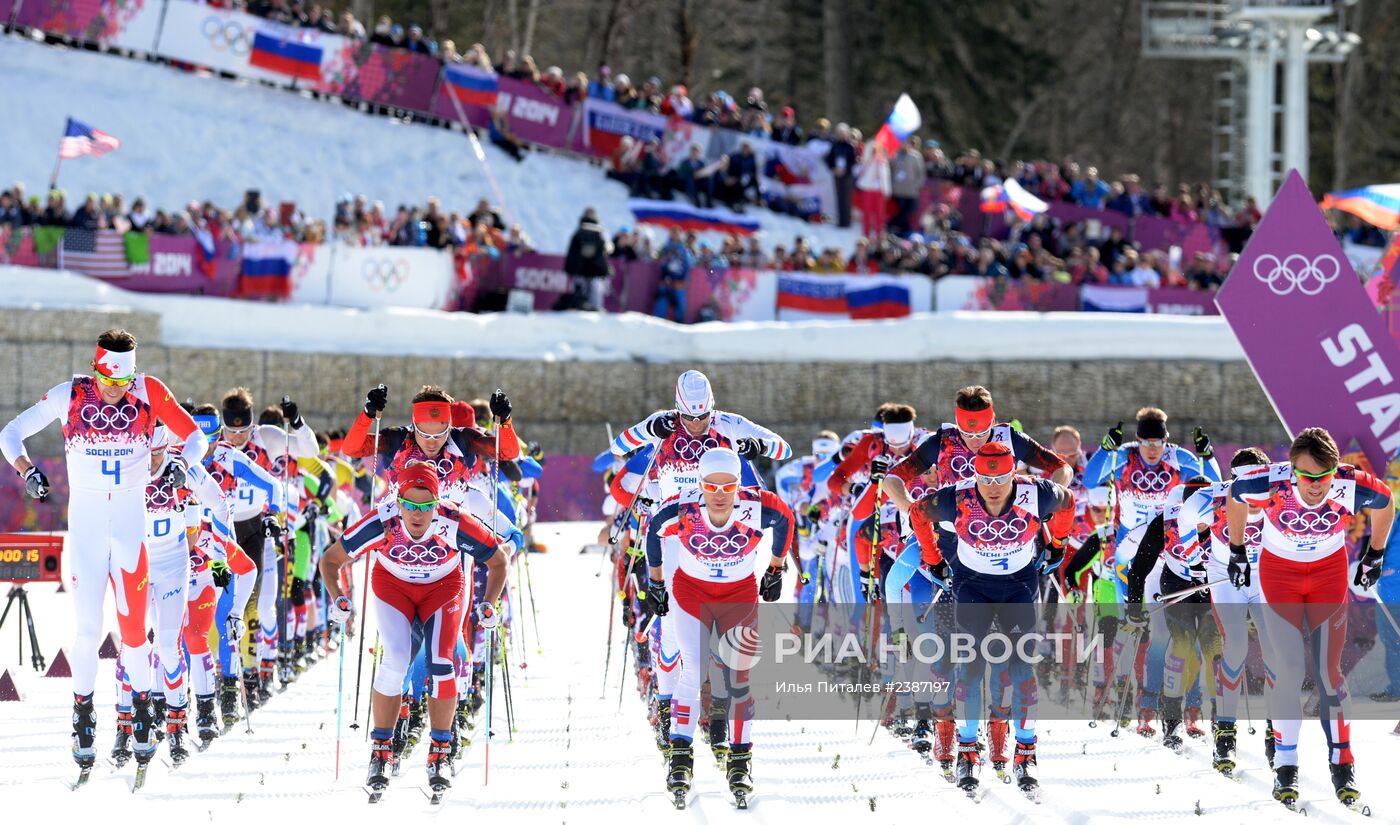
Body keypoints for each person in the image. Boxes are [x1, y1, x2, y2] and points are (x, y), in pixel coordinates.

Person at [0, 328, 206, 780]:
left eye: (122, 382)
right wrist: (27, 470)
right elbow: (11, 432)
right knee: (88, 629)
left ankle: (143, 710)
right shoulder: (68, 395)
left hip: (131, 533)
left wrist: (180, 464)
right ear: (96, 369)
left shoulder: (149, 391)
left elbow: (197, 438)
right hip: (90, 531)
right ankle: (83, 718)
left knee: (136, 634)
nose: (116, 391)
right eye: (110, 381)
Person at [610, 370, 790, 755]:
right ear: (677, 410)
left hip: (726, 533)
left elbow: (783, 450)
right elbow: (617, 451)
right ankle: (666, 703)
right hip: (677, 534)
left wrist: (755, 447)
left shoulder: (729, 424)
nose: (695, 425)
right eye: (688, 418)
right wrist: (647, 432)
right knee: (672, 625)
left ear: (713, 406)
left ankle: (718, 709)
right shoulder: (664, 427)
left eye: (702, 416)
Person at [321, 462, 511, 796]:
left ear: (437, 504)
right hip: (393, 586)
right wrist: (339, 599)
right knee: (395, 660)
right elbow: (330, 560)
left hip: (443, 587)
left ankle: (440, 752)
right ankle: (381, 751)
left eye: (426, 506)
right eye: (410, 504)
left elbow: (499, 561)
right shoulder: (383, 520)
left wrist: (489, 603)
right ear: (399, 500)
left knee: (441, 663)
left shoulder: (454, 521)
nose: (417, 514)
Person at [1227, 427, 1392, 809]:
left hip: (1327, 574)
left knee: (1328, 671)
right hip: (1279, 574)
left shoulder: (1349, 484)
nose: (1316, 486)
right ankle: (1285, 766)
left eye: (1324, 476)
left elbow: (1385, 503)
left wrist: (1375, 554)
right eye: (1307, 477)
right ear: (1292, 471)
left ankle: (1343, 764)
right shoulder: (1269, 481)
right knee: (1287, 668)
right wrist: (1237, 550)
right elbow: (1234, 495)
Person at [908, 442, 1074, 796]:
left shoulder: (1037, 493)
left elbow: (1068, 503)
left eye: (1000, 479)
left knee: (1021, 669)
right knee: (969, 665)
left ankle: (1025, 752)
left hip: (1017, 588)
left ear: (1013, 473)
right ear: (974, 475)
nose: (993, 488)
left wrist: (1058, 543)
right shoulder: (957, 496)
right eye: (985, 479)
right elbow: (918, 514)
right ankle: (968, 750)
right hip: (973, 587)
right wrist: (932, 557)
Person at [644, 447, 792, 807]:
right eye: (712, 486)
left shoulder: (757, 505)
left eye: (729, 487)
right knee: (693, 669)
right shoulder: (683, 507)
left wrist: (775, 569)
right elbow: (653, 532)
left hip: (737, 596)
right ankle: (680, 755)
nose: (721, 496)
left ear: (739, 485)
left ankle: (740, 761)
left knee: (739, 676)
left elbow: (786, 520)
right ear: (700, 485)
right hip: (691, 592)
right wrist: (656, 583)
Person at [1082, 407, 1218, 733]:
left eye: (1158, 442)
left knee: (1173, 635)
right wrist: (1105, 448)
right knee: (1133, 630)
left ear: (1166, 440)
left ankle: (1178, 705)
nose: (1152, 449)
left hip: (1167, 555)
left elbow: (1215, 485)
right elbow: (1089, 480)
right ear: (1137, 440)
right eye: (1146, 443)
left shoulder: (1179, 458)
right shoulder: (1123, 457)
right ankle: (1124, 698)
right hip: (1130, 555)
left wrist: (1208, 455)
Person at [559, 208, 612, 311]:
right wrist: (604, 268)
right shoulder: (599, 232)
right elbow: (605, 250)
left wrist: (570, 267)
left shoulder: (579, 231)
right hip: (594, 268)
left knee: (581, 290)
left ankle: (581, 306)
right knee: (594, 292)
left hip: (580, 267)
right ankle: (593, 309)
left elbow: (572, 252)